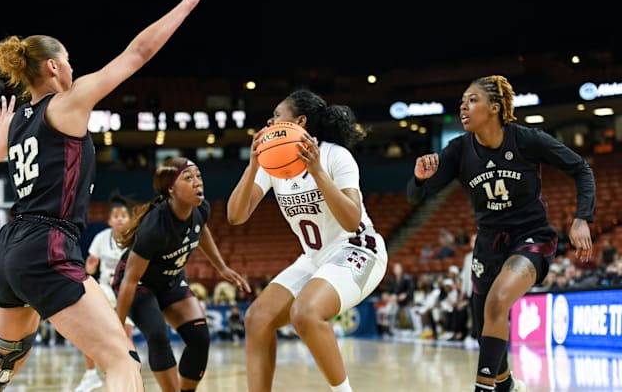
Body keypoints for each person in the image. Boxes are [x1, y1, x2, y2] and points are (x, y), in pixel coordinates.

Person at [0, 0, 204, 391]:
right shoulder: (67, 103)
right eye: (70, 63)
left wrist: (3, 124)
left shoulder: (20, 120)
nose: (74, 71)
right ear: (54, 65)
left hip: (9, 249)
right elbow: (138, 53)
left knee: (4, 358)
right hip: (47, 243)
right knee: (122, 361)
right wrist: (186, 4)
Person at [406, 75, 595, 392]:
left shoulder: (526, 139)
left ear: (495, 107)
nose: (463, 107)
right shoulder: (458, 150)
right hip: (488, 245)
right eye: (463, 101)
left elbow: (581, 168)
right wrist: (420, 179)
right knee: (485, 326)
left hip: (531, 238)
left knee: (497, 302)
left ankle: (483, 389)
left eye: (472, 100)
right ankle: (505, 383)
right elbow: (415, 197)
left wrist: (581, 218)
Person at [226, 89, 388, 392]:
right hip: (316, 258)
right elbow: (236, 216)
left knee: (306, 312)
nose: (269, 121)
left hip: (359, 249)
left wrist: (316, 171)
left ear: (299, 122)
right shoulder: (272, 164)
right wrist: (253, 166)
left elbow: (352, 221)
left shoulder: (334, 155)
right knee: (257, 318)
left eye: (277, 115)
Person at [113, 157, 250, 392]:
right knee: (157, 337)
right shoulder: (154, 227)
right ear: (171, 189)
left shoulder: (200, 208)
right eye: (189, 178)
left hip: (170, 280)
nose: (198, 182)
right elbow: (129, 282)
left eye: (198, 176)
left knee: (199, 338)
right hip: (139, 285)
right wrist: (116, 330)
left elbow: (201, 230)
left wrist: (221, 267)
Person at [74, 195, 136, 392]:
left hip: (128, 291)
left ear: (130, 220)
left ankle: (127, 376)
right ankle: (91, 374)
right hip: (106, 289)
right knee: (88, 329)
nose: (119, 219)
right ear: (109, 221)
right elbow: (90, 270)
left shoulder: (137, 239)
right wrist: (90, 266)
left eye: (124, 215)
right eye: (115, 216)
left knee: (125, 339)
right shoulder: (101, 238)